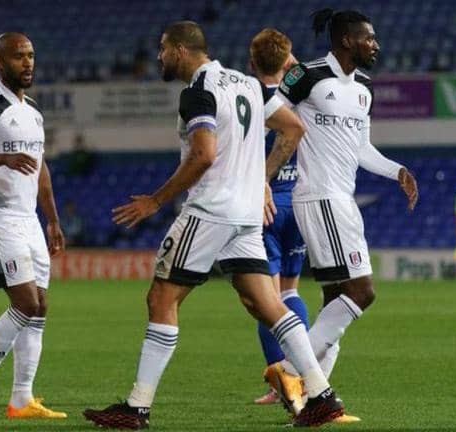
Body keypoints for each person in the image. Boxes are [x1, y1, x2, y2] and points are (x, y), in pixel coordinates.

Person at [83, 21, 344, 429]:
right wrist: (260, 179)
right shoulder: (247, 84)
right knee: (267, 305)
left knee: (161, 298)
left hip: (210, 211)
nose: (159, 57)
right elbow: (294, 127)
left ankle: (137, 407)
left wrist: (156, 200)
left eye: (162, 49)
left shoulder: (198, 92)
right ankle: (322, 396)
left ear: (180, 51)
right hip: (246, 216)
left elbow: (203, 154)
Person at [264, 8, 418, 414]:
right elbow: (268, 114)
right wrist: (258, 171)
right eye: (369, 38)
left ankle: (312, 401)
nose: (375, 45)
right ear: (347, 40)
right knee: (362, 293)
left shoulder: (364, 87)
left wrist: (396, 171)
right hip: (320, 197)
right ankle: (287, 370)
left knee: (335, 300)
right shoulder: (308, 75)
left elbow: (361, 148)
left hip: (341, 199)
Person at [0, 32, 67, 420]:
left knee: (40, 308)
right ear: (1, 62)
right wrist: (4, 158)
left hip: (29, 219)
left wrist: (52, 219)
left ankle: (22, 399)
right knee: (26, 303)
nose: (28, 62)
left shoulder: (33, 110)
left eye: (31, 55)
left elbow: (40, 168)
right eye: (19, 56)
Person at [247, 27, 310, 407]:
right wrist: (291, 63)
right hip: (298, 202)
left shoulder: (252, 98)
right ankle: (300, 374)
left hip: (266, 203)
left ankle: (282, 382)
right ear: (286, 60)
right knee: (291, 292)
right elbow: (301, 70)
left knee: (266, 299)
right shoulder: (302, 96)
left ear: (252, 62)